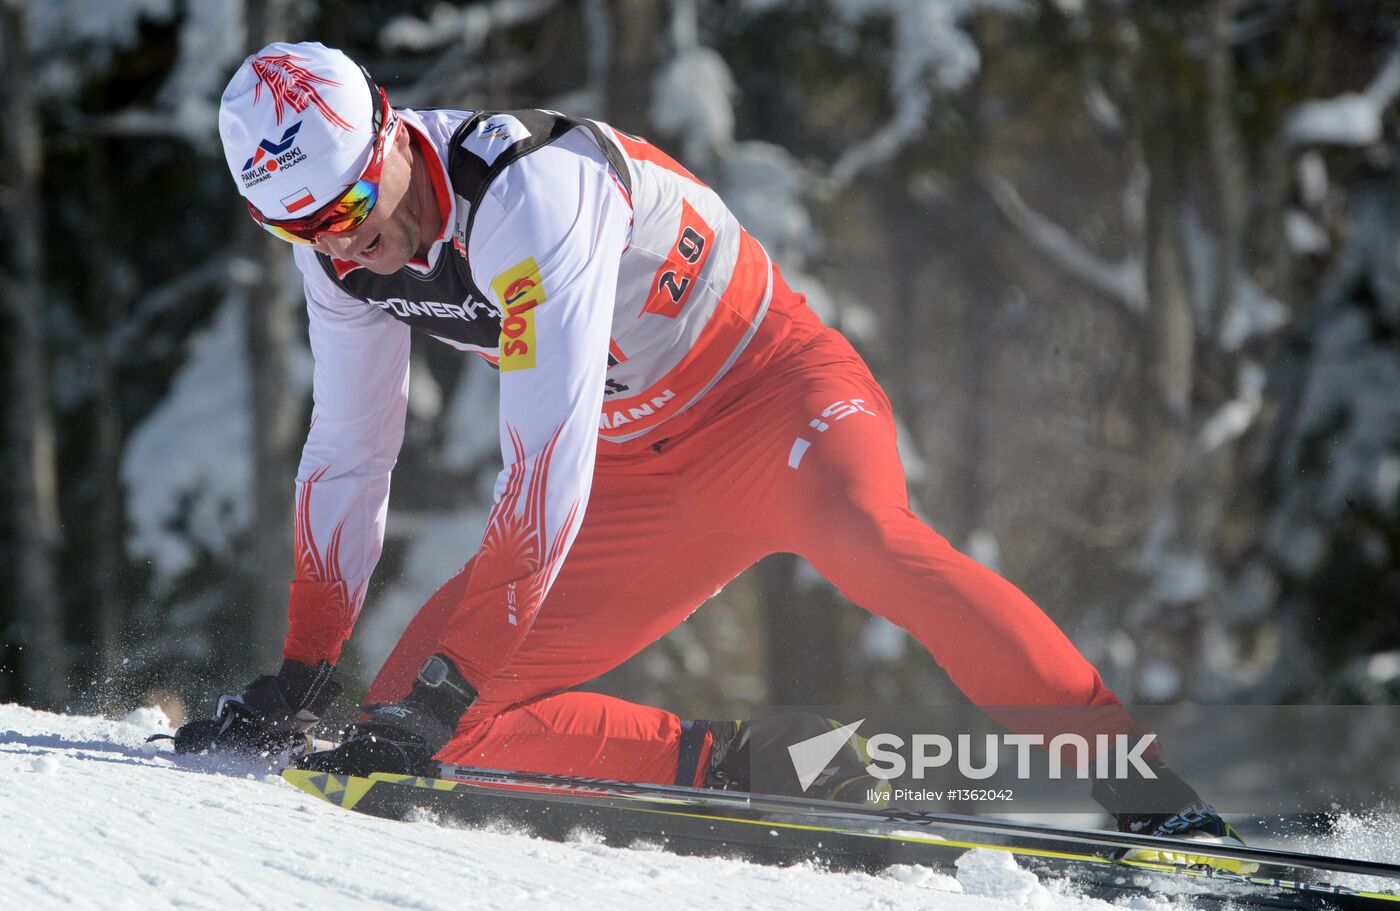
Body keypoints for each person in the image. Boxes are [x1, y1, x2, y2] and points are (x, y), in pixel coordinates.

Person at [177, 40, 1246, 864]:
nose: (346, 243)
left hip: (775, 403)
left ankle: (1146, 790)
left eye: (355, 204)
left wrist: (454, 678)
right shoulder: (343, 261)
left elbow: (541, 456)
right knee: (418, 724)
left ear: (393, 133)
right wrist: (304, 671)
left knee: (875, 544)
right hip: (641, 476)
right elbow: (351, 452)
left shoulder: (529, 191)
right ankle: (762, 764)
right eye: (301, 231)